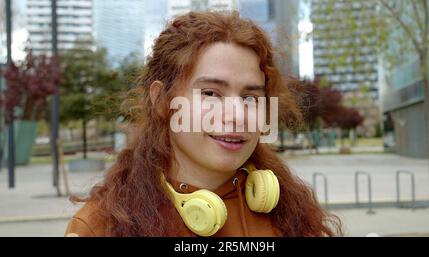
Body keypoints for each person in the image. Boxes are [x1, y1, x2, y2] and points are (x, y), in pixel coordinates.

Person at [64, 11, 342, 237]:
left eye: (250, 97)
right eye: (210, 93)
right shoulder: (101, 226)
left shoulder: (291, 214)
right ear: (162, 101)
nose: (237, 115)